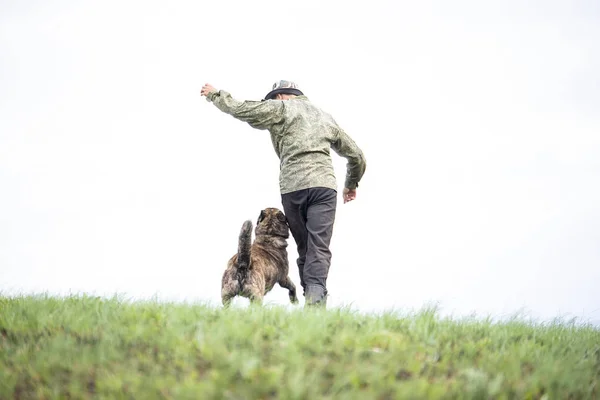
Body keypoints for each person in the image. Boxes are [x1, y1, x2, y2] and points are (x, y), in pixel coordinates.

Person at [200, 80, 366, 307]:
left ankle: (312, 298)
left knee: (305, 247)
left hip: (293, 188)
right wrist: (351, 184)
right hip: (323, 188)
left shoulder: (280, 108)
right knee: (319, 245)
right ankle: (315, 299)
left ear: (279, 97)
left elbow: (243, 109)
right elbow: (356, 155)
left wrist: (215, 95)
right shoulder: (325, 117)